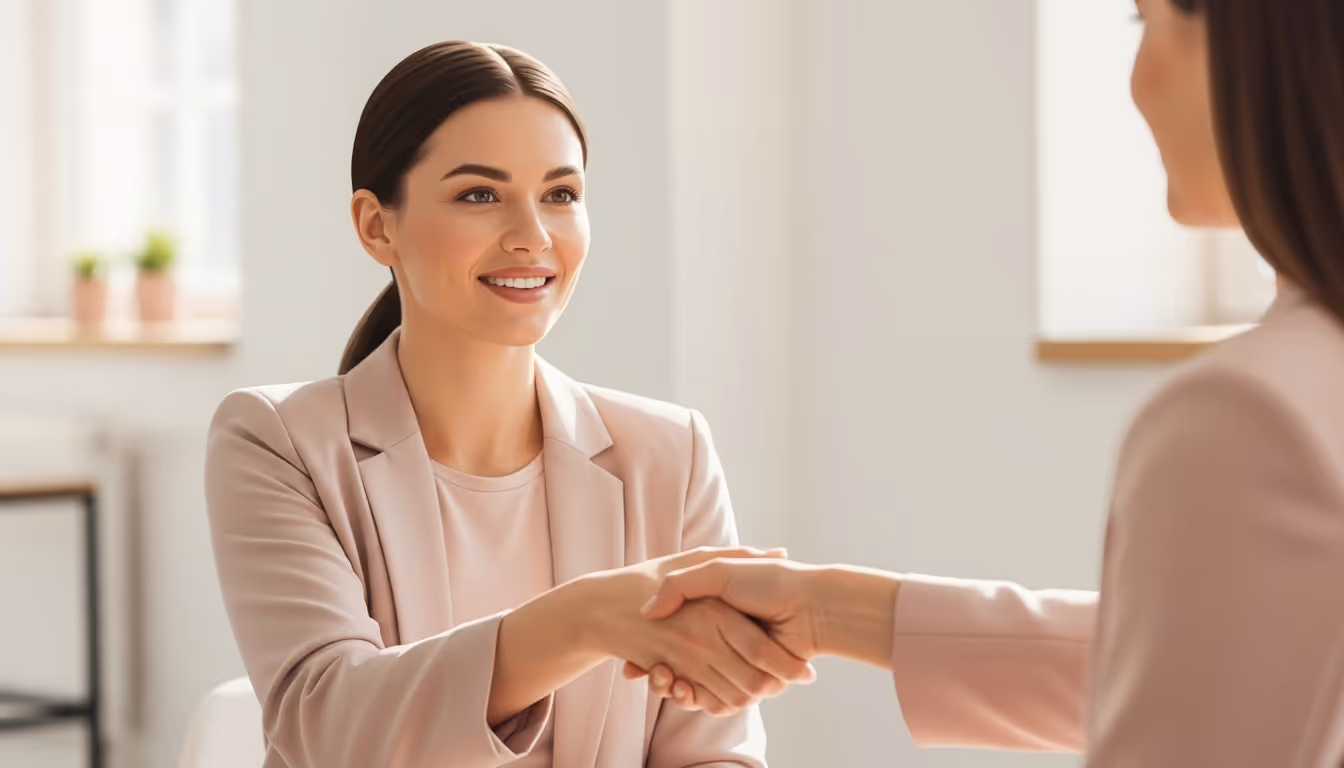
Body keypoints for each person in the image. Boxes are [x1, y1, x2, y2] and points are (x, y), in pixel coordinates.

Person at [631, 0, 1344, 763]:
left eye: (1143, 22)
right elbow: (1228, 662)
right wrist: (831, 610)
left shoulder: (1245, 414)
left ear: (1254, 44)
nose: (1134, 82)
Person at [203, 41, 814, 768]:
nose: (533, 236)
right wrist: (586, 619)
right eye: (480, 195)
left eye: (561, 194)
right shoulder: (278, 441)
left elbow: (715, 752)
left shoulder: (669, 453)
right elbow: (329, 727)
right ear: (377, 226)